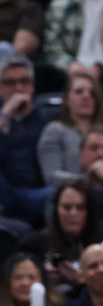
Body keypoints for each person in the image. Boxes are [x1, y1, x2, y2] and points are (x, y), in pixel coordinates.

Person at [37, 73, 103, 187]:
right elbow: (51, 177)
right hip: (71, 198)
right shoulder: (54, 131)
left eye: (92, 93)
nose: (86, 96)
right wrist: (94, 180)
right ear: (67, 99)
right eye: (79, 91)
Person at [20, 179, 103, 297]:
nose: (73, 213)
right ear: (56, 210)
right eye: (67, 207)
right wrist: (42, 277)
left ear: (89, 212)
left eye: (80, 207)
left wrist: (81, 282)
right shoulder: (34, 244)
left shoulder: (102, 245)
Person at [0, 54, 53, 224]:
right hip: (5, 193)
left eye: (24, 82)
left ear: (33, 87)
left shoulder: (47, 118)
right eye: (10, 83)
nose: (18, 88)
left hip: (39, 192)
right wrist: (5, 115)